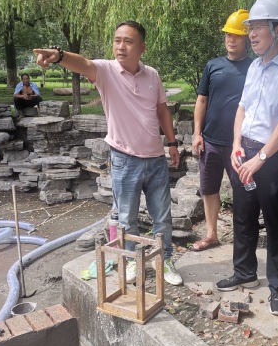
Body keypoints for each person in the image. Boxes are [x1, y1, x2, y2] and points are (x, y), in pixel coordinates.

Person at [33, 21, 183, 286]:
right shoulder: (106, 71)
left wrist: (171, 143)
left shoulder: (152, 75)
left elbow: (161, 110)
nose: (120, 46)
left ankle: (165, 259)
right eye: (117, 40)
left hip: (155, 159)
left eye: (128, 41)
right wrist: (59, 56)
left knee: (162, 217)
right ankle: (131, 261)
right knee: (127, 219)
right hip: (125, 159)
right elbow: (83, 64)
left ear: (142, 47)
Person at [214, 0, 278, 317]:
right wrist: (236, 144)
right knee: (242, 216)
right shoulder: (255, 67)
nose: (251, 34)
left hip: (275, 156)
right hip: (246, 150)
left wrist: (261, 159)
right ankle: (244, 272)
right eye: (250, 28)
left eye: (257, 27)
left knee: (275, 222)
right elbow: (242, 108)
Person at [192, 9, 253, 252]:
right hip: (211, 141)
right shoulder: (213, 66)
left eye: (237, 35)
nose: (231, 39)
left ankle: (243, 238)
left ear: (247, 39)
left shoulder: (255, 67)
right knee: (209, 189)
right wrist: (197, 133)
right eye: (228, 34)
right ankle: (211, 235)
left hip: (241, 144)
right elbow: (201, 101)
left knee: (243, 191)